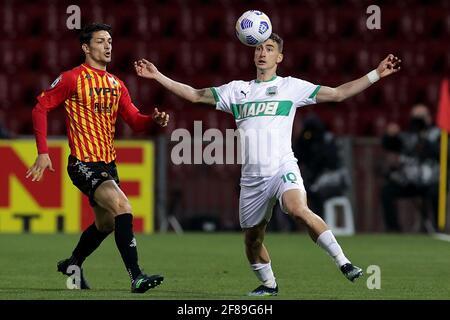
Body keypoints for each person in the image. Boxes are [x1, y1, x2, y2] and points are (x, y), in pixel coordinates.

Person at [135, 33, 401, 296]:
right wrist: (158, 75)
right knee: (252, 240)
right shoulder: (237, 91)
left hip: (281, 167)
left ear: (280, 57)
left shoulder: (291, 87)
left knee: (298, 209)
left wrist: (375, 74)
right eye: (259, 48)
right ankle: (269, 285)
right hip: (252, 179)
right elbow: (194, 95)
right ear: (253, 54)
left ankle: (343, 262)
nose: (263, 53)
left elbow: (339, 94)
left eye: (270, 48)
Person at [25, 23, 169, 293]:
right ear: (86, 47)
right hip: (82, 162)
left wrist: (153, 120)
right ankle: (136, 277)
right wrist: (43, 152)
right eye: (101, 41)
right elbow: (40, 108)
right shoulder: (72, 78)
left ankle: (73, 263)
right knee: (123, 207)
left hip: (107, 164)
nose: (108, 46)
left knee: (105, 223)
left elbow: (135, 122)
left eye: (110, 41)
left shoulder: (116, 84)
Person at [381, 104, 440, 232]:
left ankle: (437, 228)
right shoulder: (406, 135)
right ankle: (393, 229)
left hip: (430, 181)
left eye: (421, 117)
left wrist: (425, 139)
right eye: (415, 117)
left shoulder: (438, 134)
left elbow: (441, 153)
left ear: (429, 118)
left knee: (437, 192)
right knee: (387, 192)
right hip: (409, 181)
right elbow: (388, 145)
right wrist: (390, 135)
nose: (418, 121)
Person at [294, 114, 350, 218]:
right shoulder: (306, 139)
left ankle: (321, 220)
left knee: (316, 193)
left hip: (333, 178)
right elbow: (298, 157)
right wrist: (303, 141)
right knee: (299, 192)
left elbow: (331, 163)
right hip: (314, 178)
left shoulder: (327, 139)